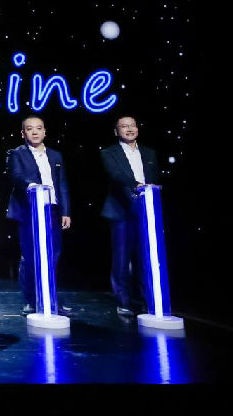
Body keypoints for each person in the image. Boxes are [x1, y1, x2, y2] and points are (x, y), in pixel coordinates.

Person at [5, 115, 72, 316]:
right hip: (29, 210)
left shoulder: (55, 155)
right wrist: (32, 186)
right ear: (23, 133)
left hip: (52, 210)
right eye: (30, 129)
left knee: (53, 255)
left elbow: (62, 184)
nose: (34, 132)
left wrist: (66, 211)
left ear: (45, 131)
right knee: (30, 255)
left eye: (39, 128)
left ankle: (51, 299)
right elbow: (15, 175)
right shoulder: (16, 153)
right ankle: (30, 300)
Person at [100, 115, 160, 317]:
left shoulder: (149, 152)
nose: (129, 129)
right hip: (121, 211)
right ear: (116, 131)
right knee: (122, 258)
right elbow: (117, 175)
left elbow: (153, 178)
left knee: (146, 257)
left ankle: (147, 300)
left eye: (132, 125)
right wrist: (137, 186)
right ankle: (123, 301)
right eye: (124, 126)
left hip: (147, 211)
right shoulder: (109, 152)